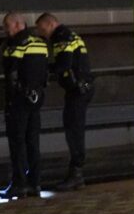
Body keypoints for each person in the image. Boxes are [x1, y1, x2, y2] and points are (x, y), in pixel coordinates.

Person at [35, 13, 94, 191]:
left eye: (42, 28)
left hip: (77, 91)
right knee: (74, 128)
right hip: (83, 88)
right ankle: (76, 173)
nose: (41, 32)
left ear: (51, 24)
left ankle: (76, 173)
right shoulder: (71, 35)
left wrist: (40, 68)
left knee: (73, 130)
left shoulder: (61, 38)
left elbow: (63, 65)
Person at [0, 12, 49, 199]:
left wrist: (12, 98)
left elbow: (11, 73)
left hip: (18, 101)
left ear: (18, 24)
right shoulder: (40, 44)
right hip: (36, 99)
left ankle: (19, 183)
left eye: (7, 25)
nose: (6, 30)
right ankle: (35, 183)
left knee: (17, 142)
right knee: (33, 142)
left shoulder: (15, 45)